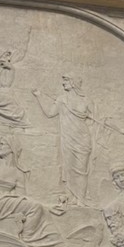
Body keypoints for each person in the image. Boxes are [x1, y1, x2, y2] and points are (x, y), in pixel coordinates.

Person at [33, 75, 93, 205]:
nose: (63, 83)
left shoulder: (86, 100)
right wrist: (39, 96)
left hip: (83, 138)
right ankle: (73, 197)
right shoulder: (62, 99)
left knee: (81, 170)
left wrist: (120, 129)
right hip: (68, 138)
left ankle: (81, 199)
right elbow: (50, 113)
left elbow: (99, 119)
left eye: (66, 80)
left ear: (73, 82)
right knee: (69, 168)